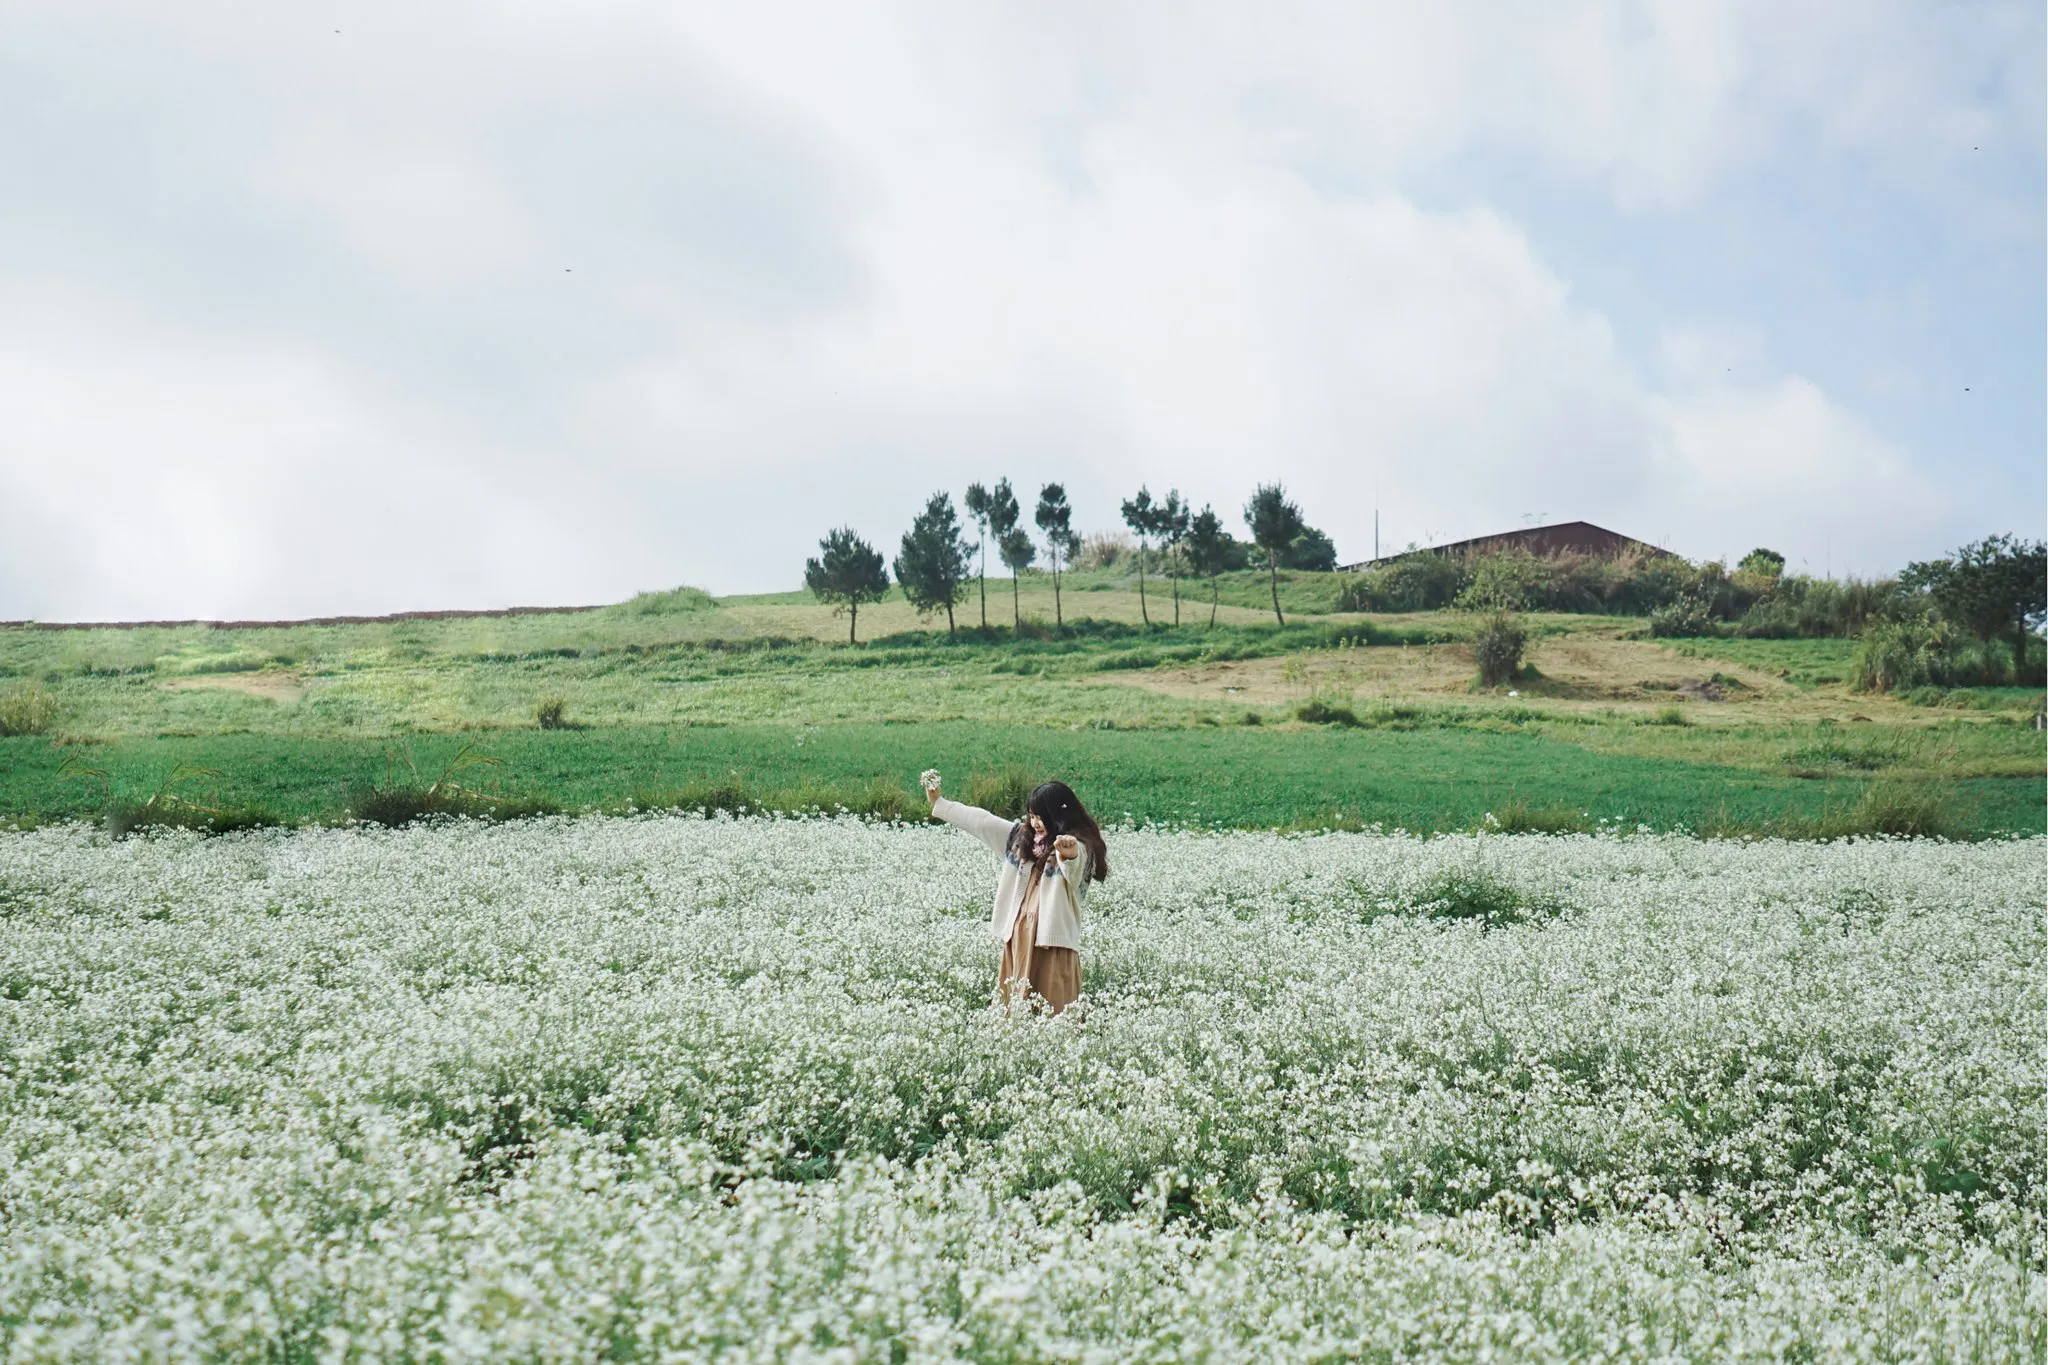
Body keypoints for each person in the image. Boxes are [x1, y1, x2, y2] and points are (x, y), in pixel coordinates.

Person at [923, 770, 1108, 1013]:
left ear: (1060, 817)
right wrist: (940, 803)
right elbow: (982, 822)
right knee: (1016, 1009)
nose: (1036, 823)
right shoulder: (1021, 840)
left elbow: (1076, 864)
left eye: (1042, 817)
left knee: (1053, 1010)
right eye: (1032, 816)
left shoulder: (1080, 846)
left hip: (1052, 944)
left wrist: (1070, 852)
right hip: (1018, 939)